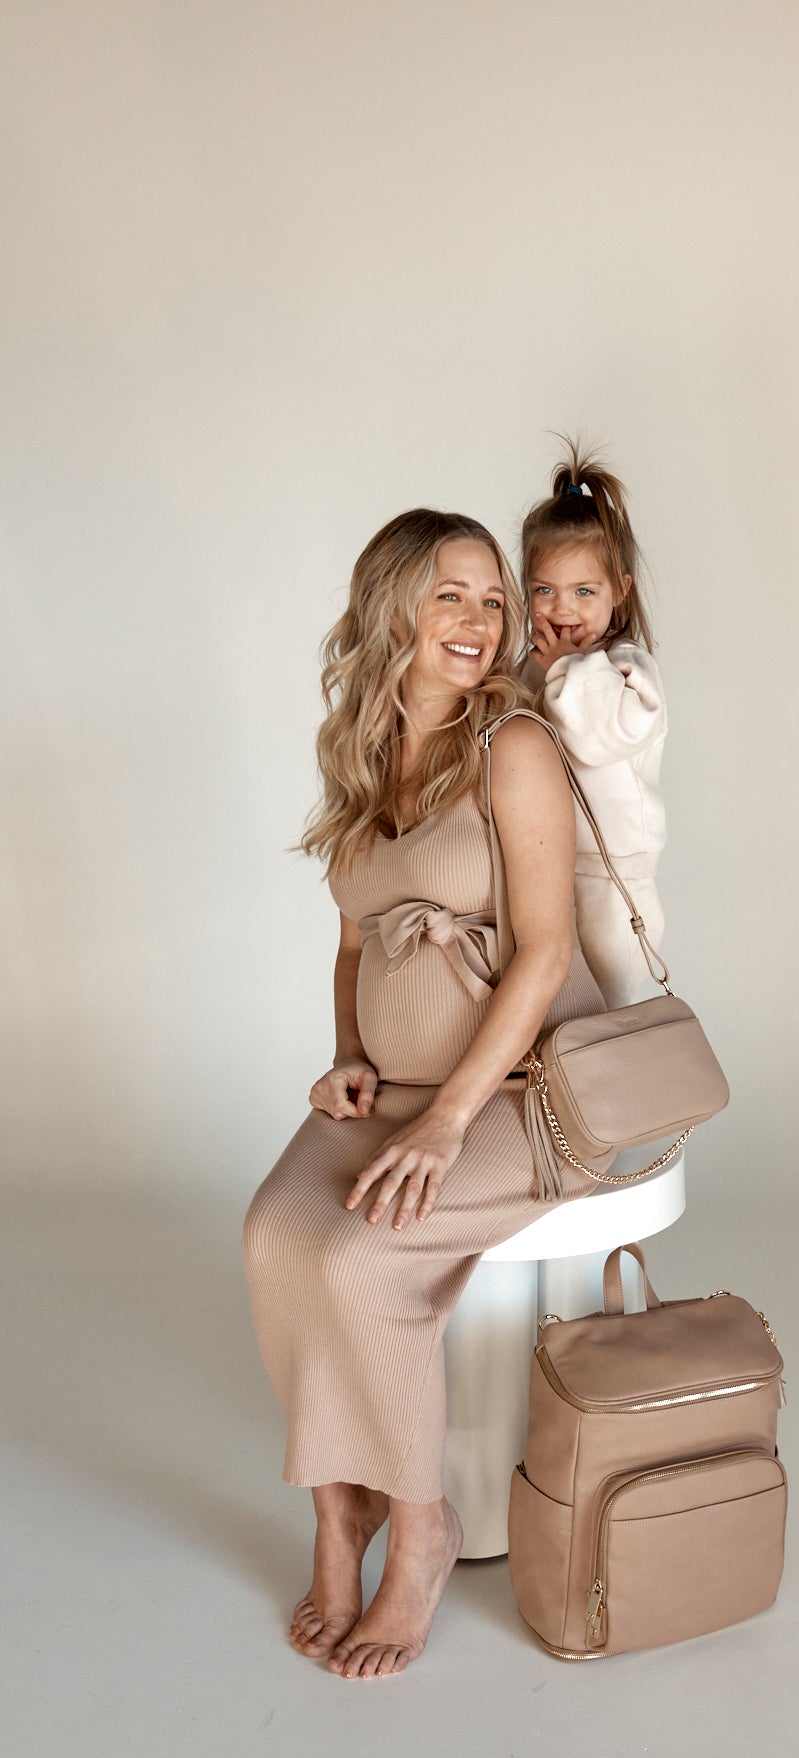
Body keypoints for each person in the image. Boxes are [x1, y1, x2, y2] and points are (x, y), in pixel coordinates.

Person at [242, 507, 611, 1680]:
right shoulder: (355, 748)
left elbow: (545, 951)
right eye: (451, 594)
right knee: (273, 1236)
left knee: (363, 1257)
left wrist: (452, 1119)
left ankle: (421, 1527)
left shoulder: (513, 746)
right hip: (392, 1086)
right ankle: (335, 1505)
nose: (478, 619)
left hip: (518, 1092)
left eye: (492, 599)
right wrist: (349, 1050)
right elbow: (353, 939)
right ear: (390, 607)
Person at [520, 443, 668, 1010]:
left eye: (585, 592)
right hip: (543, 877)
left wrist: (559, 669)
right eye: (544, 590)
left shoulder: (628, 669)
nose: (564, 609)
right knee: (551, 1018)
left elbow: (598, 736)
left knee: (608, 1026)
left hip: (613, 882)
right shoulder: (538, 667)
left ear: (619, 592)